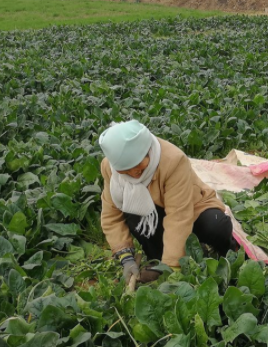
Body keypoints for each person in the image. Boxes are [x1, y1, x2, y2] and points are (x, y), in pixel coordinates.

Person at [99, 120, 238, 283]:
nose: (134, 172)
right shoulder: (110, 168)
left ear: (148, 151)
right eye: (125, 170)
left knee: (216, 226)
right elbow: (111, 214)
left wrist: (172, 268)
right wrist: (125, 255)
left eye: (138, 165)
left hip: (192, 206)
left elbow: (178, 216)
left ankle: (225, 250)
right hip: (155, 212)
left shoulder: (172, 160)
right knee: (134, 214)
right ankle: (161, 259)